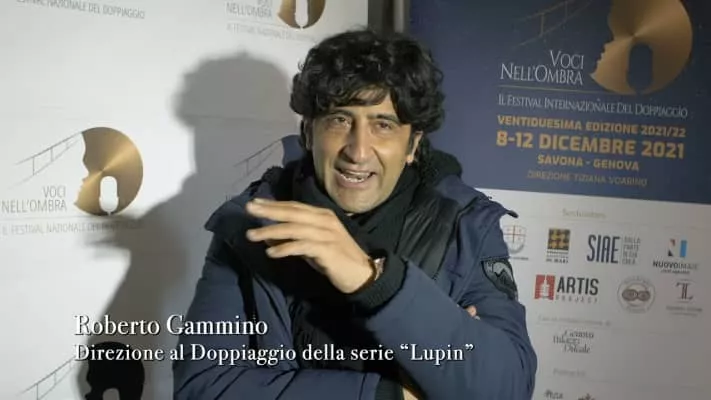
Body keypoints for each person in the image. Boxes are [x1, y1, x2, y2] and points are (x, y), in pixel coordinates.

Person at [173, 29, 537, 400]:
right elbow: (203, 388)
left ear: (413, 144)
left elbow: (506, 388)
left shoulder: (465, 226)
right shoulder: (251, 224)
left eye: (383, 125)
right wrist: (391, 395)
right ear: (308, 133)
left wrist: (374, 280)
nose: (358, 151)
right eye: (340, 120)